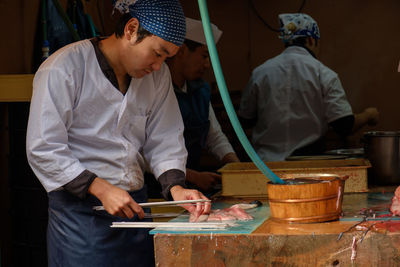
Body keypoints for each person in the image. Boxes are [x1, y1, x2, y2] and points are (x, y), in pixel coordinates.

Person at [26, 1, 210, 266]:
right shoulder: (64, 67)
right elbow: (43, 147)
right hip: (81, 215)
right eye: (157, 53)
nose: (159, 66)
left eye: (166, 58)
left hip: (136, 208)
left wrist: (177, 188)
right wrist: (100, 187)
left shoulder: (156, 78)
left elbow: (165, 137)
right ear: (132, 29)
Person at [238, 13, 379, 162]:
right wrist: (368, 114)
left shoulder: (260, 73)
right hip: (308, 165)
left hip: (265, 165)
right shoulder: (324, 74)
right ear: (312, 40)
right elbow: (344, 125)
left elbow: (246, 119)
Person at [166, 17, 240, 193]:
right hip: (161, 186)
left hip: (190, 185)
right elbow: (151, 152)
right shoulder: (158, 91)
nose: (207, 65)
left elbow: (214, 136)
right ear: (182, 51)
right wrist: (194, 176)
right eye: (204, 56)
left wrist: (237, 167)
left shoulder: (200, 90)